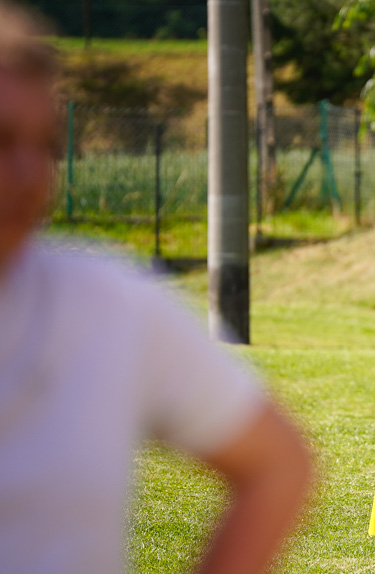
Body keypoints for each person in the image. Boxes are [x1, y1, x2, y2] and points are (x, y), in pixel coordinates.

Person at [0, 3, 314, 573]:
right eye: (1, 141)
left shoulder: (103, 300)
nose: (29, 176)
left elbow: (278, 466)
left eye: (44, 146)